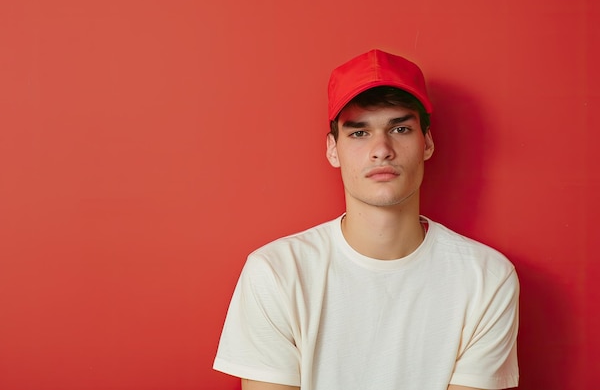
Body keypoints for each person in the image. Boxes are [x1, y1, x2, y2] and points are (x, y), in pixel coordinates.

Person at [213, 49, 520, 390]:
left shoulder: (487, 279)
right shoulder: (277, 272)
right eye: (359, 133)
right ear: (333, 149)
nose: (381, 149)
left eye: (400, 128)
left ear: (427, 143)